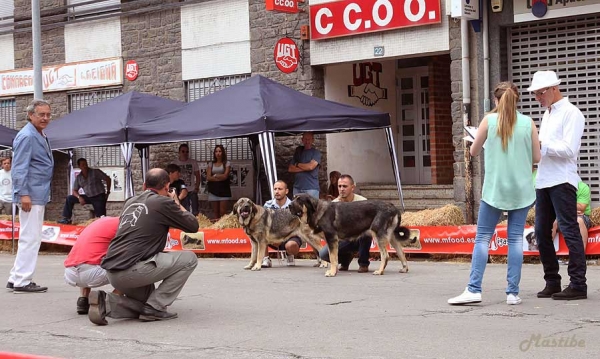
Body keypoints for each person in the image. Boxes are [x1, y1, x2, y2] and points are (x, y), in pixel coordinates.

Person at [448, 82, 540, 306]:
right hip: (521, 190)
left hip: (494, 189)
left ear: (496, 100)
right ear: (516, 99)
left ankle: (474, 289)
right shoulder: (529, 123)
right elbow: (537, 158)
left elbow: (473, 150)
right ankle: (512, 293)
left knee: (482, 238)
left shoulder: (488, 121)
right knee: (516, 239)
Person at [88, 168, 200, 325]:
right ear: (167, 187)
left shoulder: (130, 202)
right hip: (132, 270)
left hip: (113, 272)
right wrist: (176, 202)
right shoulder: (163, 202)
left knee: (145, 304)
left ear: (144, 185)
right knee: (190, 259)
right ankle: (155, 308)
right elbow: (193, 225)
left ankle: (105, 302)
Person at [528, 70, 588, 301]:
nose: (538, 98)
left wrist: (542, 144)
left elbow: (569, 150)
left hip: (563, 180)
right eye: (535, 94)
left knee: (570, 230)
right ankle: (552, 281)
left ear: (554, 89)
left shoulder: (572, 113)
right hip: (544, 179)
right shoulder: (548, 114)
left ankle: (578, 284)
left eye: (541, 93)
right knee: (542, 233)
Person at [7, 99, 54, 293]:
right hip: (31, 194)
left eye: (48, 114)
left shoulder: (38, 134)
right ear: (30, 115)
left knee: (30, 235)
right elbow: (19, 168)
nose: (45, 118)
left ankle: (15, 276)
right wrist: (23, 194)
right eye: (41, 114)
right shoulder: (27, 136)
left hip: (37, 192)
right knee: (31, 237)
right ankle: (23, 281)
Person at [64, 216, 120, 315]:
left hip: (70, 272)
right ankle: (111, 301)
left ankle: (83, 299)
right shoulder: (124, 225)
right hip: (93, 273)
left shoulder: (100, 222)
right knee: (131, 266)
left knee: (86, 258)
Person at [318, 174, 372, 273]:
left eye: (345, 186)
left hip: (359, 236)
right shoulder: (333, 204)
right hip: (344, 238)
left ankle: (363, 264)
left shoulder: (363, 202)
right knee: (323, 254)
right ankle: (346, 259)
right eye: (339, 186)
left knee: (366, 232)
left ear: (352, 188)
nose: (342, 189)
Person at [58, 158, 111, 224]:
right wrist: (79, 197)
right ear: (79, 166)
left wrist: (108, 192)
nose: (85, 166)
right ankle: (66, 219)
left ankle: (101, 224)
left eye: (86, 164)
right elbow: (74, 190)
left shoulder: (95, 172)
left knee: (100, 217)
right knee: (69, 198)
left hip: (99, 196)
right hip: (89, 197)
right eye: (83, 165)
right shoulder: (79, 177)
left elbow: (108, 179)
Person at [261, 180, 300, 268]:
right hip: (272, 236)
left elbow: (297, 226)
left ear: (286, 191)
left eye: (280, 189)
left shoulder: (294, 206)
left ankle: (289, 254)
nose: (277, 191)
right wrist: (274, 236)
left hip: (290, 235)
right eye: (275, 189)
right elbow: (263, 224)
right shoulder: (267, 205)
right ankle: (266, 259)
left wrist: (282, 237)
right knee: (261, 233)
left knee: (291, 246)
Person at [550, 181, 592, 253]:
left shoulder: (583, 187)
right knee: (551, 221)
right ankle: (547, 254)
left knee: (579, 220)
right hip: (561, 215)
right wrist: (571, 208)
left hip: (581, 216)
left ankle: (580, 255)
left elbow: (581, 208)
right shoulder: (557, 187)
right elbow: (552, 205)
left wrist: (563, 205)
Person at [288, 132, 321, 198]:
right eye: (305, 139)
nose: (307, 141)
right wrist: (306, 167)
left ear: (313, 140)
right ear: (302, 140)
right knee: (297, 208)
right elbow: (290, 169)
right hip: (297, 188)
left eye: (309, 139)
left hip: (311, 188)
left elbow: (311, 167)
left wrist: (297, 164)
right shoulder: (298, 151)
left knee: (311, 208)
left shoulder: (316, 153)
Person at [206, 144, 231, 220]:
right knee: (216, 212)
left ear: (223, 152)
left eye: (220, 151)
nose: (218, 153)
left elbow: (225, 176)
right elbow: (208, 177)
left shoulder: (226, 163)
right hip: (213, 190)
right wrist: (220, 177)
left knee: (223, 212)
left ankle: (223, 227)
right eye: (216, 151)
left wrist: (215, 175)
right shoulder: (211, 164)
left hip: (224, 189)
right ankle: (217, 228)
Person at [174, 144, 201, 215]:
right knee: (184, 210)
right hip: (180, 191)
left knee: (195, 211)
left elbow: (198, 175)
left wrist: (196, 187)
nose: (185, 153)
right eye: (183, 151)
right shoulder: (175, 163)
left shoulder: (193, 162)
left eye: (187, 152)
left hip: (191, 190)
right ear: (179, 152)